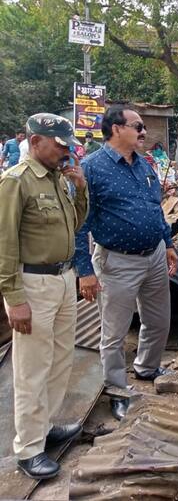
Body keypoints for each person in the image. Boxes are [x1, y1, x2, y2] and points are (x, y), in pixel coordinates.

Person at [73, 105, 178, 421]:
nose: (144, 132)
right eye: (138, 126)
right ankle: (117, 390)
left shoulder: (144, 165)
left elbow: (155, 207)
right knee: (114, 332)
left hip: (154, 255)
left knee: (159, 320)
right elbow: (80, 223)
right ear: (116, 128)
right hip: (116, 261)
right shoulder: (91, 168)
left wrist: (169, 244)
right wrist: (85, 271)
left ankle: (146, 367)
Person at [0, 114, 88, 479]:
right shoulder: (15, 182)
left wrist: (81, 190)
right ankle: (29, 448)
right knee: (32, 368)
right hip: (33, 284)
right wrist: (13, 297)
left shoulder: (58, 180)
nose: (65, 152)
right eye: (59, 145)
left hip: (64, 278)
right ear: (36, 142)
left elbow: (75, 226)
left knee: (59, 360)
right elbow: (3, 244)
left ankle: (45, 426)